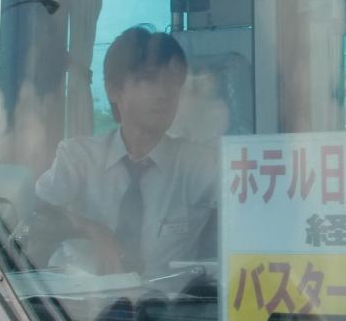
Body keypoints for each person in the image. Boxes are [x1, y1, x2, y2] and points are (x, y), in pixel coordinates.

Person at [31, 26, 218, 278]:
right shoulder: (78, 157)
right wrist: (91, 229)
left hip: (164, 302)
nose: (165, 94)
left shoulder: (198, 164)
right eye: (149, 79)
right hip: (77, 301)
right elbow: (33, 213)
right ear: (114, 89)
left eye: (173, 83)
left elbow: (248, 204)